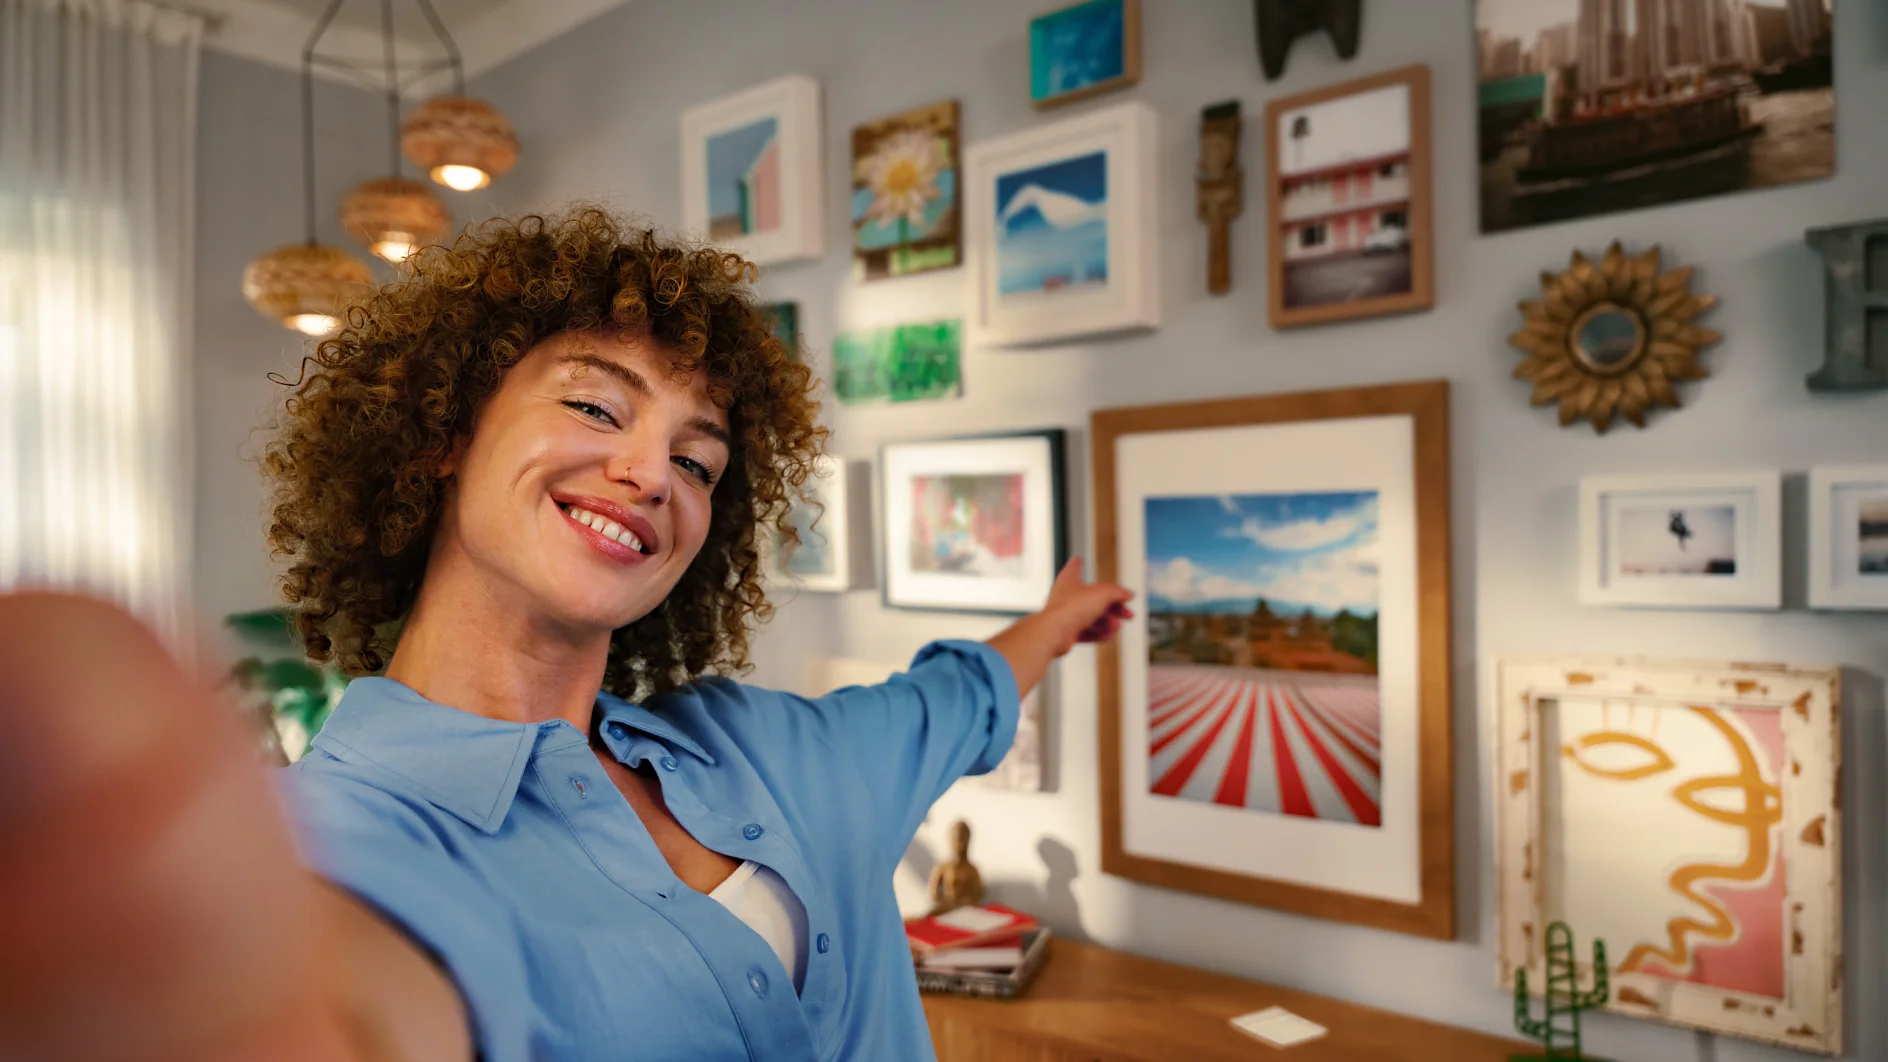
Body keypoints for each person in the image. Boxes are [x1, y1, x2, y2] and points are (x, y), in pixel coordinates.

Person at [0, 208, 1132, 1062]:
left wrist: (1055, 620)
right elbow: (366, 988)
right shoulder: (333, 841)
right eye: (595, 407)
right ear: (446, 434)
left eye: (697, 461)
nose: (651, 474)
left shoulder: (778, 750)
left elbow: (959, 697)